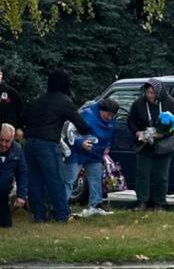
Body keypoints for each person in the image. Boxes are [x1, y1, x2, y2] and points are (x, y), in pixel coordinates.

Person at [23, 70, 90, 223]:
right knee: (55, 180)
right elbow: (80, 124)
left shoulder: (38, 99)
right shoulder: (64, 100)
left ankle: (39, 215)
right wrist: (86, 130)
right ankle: (62, 215)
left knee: (34, 181)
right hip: (47, 144)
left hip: (29, 143)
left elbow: (24, 117)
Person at [127, 78, 174, 211]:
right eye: (148, 92)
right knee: (142, 174)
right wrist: (137, 132)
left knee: (161, 176)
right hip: (144, 144)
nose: (150, 95)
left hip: (164, 145)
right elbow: (131, 120)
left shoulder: (170, 103)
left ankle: (160, 203)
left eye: (152, 92)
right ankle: (142, 201)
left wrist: (162, 134)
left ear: (159, 92)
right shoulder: (139, 103)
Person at [66, 97, 120, 217]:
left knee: (96, 178)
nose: (110, 118)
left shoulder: (111, 119)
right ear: (101, 110)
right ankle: (61, 206)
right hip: (78, 152)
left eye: (112, 115)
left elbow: (110, 134)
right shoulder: (87, 115)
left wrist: (108, 146)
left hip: (95, 152)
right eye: (108, 114)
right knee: (70, 179)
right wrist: (80, 142)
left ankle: (96, 204)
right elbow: (71, 131)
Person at [0, 123, 28, 228]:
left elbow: (22, 173)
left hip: (3, 193)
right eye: (1, 140)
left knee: (6, 224)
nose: (3, 144)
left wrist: (21, 196)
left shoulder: (17, 149)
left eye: (7, 141)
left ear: (12, 139)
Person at [0, 69, 25, 134]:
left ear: (1, 75)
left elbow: (21, 111)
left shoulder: (11, 93)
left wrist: (20, 128)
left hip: (8, 133)